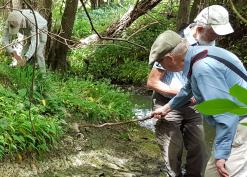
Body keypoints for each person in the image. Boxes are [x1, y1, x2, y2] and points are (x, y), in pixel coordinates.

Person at [146, 5, 233, 177]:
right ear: (200, 29)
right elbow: (152, 82)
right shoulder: (171, 43)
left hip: (194, 107)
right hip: (167, 104)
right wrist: (176, 93)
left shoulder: (210, 45)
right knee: (172, 152)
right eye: (214, 33)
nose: (217, 37)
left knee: (199, 150)